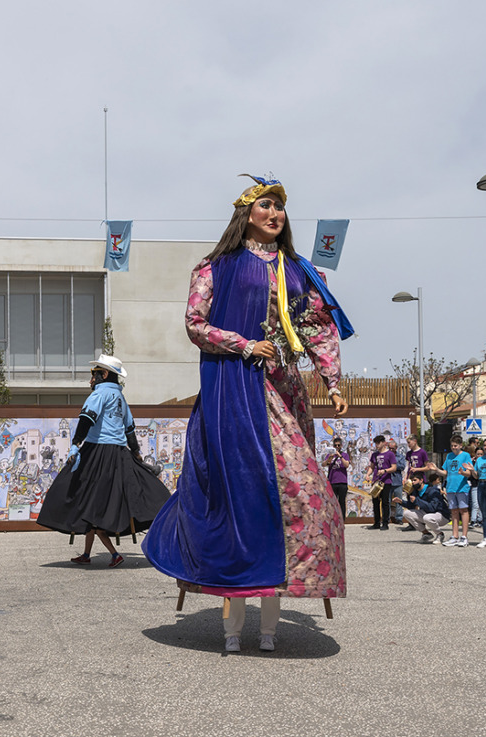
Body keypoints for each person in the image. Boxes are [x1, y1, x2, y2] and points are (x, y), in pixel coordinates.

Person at [141, 174, 352, 653]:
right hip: (235, 390)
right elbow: (195, 324)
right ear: (246, 214)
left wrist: (333, 381)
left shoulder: (299, 270)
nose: (275, 214)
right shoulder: (217, 265)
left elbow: (317, 326)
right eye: (266, 205)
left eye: (280, 206)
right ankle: (233, 597)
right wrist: (242, 344)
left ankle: (282, 587)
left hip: (286, 390)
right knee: (243, 490)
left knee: (305, 493)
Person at [39, 354, 171, 567]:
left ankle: (111, 553)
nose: (91, 379)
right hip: (118, 454)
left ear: (104, 374)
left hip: (97, 453)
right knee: (101, 501)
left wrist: (75, 444)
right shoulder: (120, 398)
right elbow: (129, 429)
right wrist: (136, 454)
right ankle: (86, 554)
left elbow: (86, 419)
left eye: (94, 374)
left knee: (71, 491)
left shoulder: (99, 395)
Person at [433, 436, 472, 547]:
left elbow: (469, 473)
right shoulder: (449, 456)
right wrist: (436, 470)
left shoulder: (465, 455)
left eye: (455, 446)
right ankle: (454, 536)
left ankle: (464, 536)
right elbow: (445, 472)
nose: (453, 448)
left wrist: (463, 473)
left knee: (463, 510)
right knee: (454, 512)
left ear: (460, 445)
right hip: (450, 487)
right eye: (452, 446)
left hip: (461, 487)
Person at [393, 473, 450, 544]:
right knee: (407, 513)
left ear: (421, 480)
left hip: (442, 515)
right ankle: (426, 534)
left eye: (415, 480)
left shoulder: (432, 490)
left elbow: (432, 508)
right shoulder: (415, 491)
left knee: (427, 518)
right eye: (412, 481)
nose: (413, 482)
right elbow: (412, 506)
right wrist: (401, 502)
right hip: (429, 514)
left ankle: (440, 534)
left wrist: (417, 501)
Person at [369, 436, 396, 530]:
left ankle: (385, 523)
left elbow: (394, 467)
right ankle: (376, 522)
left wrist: (385, 471)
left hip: (386, 481)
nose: (376, 445)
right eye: (375, 443)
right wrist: (368, 475)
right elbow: (371, 467)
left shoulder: (390, 454)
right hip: (376, 481)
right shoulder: (374, 454)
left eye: (378, 443)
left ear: (384, 443)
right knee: (375, 502)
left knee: (385, 502)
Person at [324, 437, 350, 518]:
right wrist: (330, 458)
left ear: (341, 446)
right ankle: (334, 518)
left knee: (342, 501)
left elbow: (346, 465)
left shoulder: (345, 455)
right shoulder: (330, 455)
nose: (337, 447)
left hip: (342, 482)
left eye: (338, 445)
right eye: (335, 445)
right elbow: (324, 464)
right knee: (333, 502)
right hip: (332, 481)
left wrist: (340, 456)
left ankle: (342, 519)